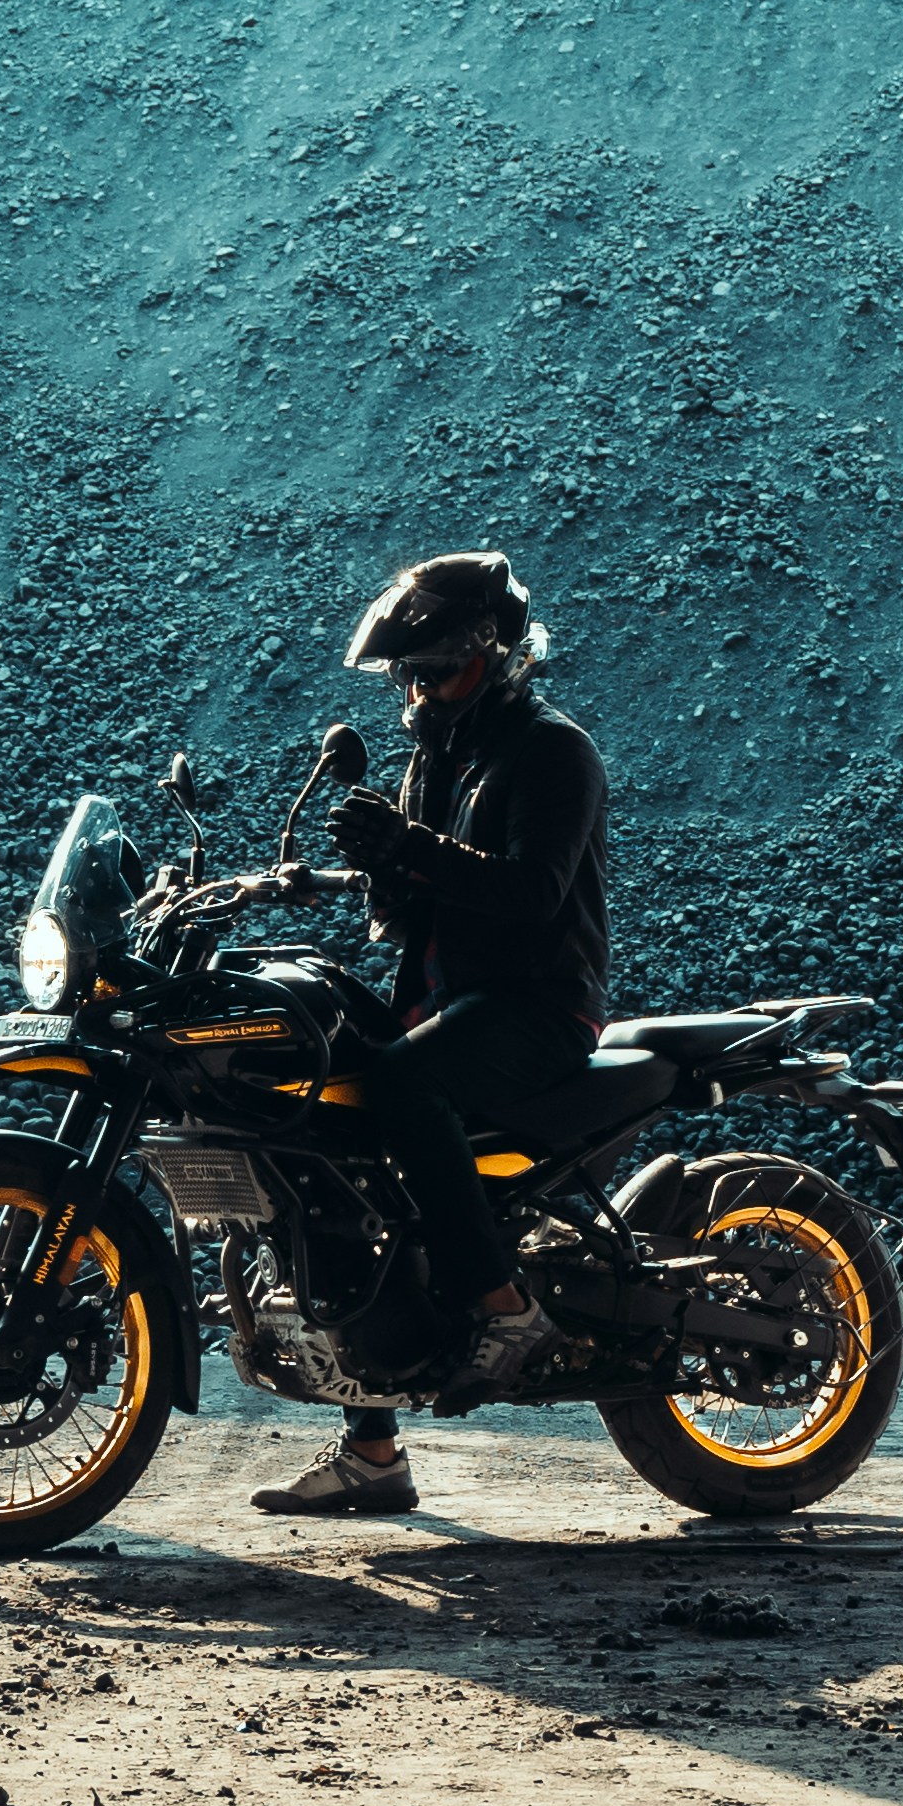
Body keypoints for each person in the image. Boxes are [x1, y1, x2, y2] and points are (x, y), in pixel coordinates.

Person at [250, 546, 613, 1522]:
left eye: (433, 669)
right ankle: (372, 1450)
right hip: (448, 998)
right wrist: (376, 864)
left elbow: (533, 896)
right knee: (320, 1122)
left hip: (537, 1004)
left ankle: (504, 1303)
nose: (415, 688)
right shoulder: (435, 758)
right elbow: (415, 909)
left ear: (495, 655)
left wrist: (410, 848)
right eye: (405, 674)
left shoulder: (551, 751)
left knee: (401, 1089)